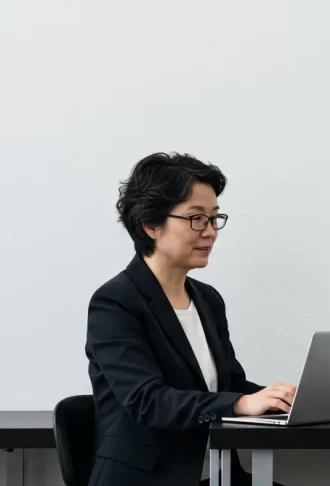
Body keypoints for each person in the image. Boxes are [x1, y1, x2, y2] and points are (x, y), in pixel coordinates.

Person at [86, 152, 295, 486]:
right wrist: (241, 403)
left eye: (215, 218)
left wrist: (283, 400)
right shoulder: (115, 303)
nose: (210, 232)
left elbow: (228, 386)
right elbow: (148, 401)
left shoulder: (208, 300)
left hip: (219, 476)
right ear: (150, 224)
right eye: (196, 219)